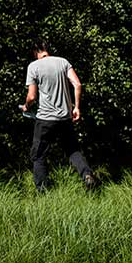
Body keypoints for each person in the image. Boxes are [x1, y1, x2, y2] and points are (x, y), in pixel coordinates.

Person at [20, 41, 97, 192]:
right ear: (48, 50)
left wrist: (26, 106)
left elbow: (32, 96)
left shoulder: (33, 66)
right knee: (73, 150)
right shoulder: (63, 62)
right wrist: (77, 108)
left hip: (45, 120)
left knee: (38, 155)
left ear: (36, 53)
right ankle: (87, 175)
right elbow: (78, 84)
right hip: (65, 118)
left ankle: (42, 191)